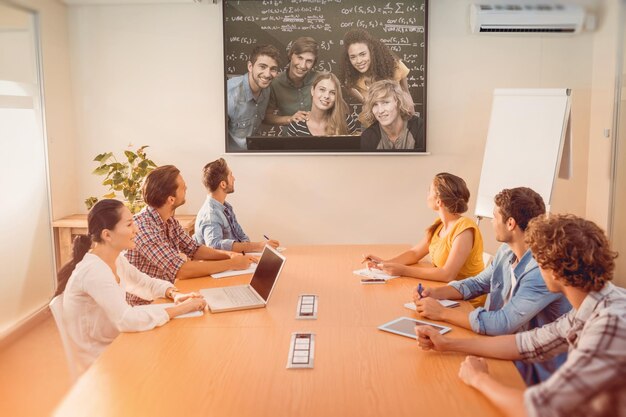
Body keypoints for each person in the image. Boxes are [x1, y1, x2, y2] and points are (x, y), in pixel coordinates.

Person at [415, 214, 626, 417]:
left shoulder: (609, 324)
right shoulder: (590, 306)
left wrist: (479, 378)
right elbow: (527, 343)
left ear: (553, 272)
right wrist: (447, 343)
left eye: (538, 260)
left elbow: (540, 410)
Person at [413, 187, 571, 384]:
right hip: (504, 347)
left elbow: (502, 323)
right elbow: (478, 283)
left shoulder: (541, 270)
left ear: (511, 223)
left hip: (535, 369)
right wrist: (436, 293)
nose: (491, 221)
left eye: (495, 217)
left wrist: (442, 313)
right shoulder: (506, 250)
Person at [59, 199, 207, 375]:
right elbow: (126, 319)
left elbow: (143, 283)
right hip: (102, 363)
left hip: (118, 345)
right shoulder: (94, 271)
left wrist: (173, 293)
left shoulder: (115, 260)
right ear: (107, 235)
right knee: (178, 361)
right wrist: (180, 309)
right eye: (129, 225)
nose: (136, 229)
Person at [125, 165, 255, 305]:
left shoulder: (168, 220)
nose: (186, 188)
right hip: (147, 305)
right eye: (183, 187)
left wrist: (229, 255)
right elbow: (180, 270)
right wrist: (231, 264)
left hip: (168, 295)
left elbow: (194, 249)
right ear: (171, 200)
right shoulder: (143, 228)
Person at [363, 172, 486, 306]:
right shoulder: (439, 225)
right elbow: (415, 253)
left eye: (430, 191)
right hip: (446, 293)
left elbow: (447, 274)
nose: (427, 195)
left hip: (465, 302)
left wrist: (403, 270)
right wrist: (384, 264)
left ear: (439, 201)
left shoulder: (465, 229)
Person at [195, 158, 280, 252]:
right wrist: (259, 245)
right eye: (231, 176)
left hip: (237, 259)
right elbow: (214, 246)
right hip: (224, 264)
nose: (234, 179)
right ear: (223, 184)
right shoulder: (211, 214)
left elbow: (242, 238)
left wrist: (255, 248)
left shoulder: (226, 208)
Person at [341, 28, 414, 109]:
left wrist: (412, 119)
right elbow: (366, 105)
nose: (359, 61)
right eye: (353, 57)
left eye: (362, 54)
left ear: (371, 51)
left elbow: (407, 96)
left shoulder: (395, 67)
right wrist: (366, 103)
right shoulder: (352, 79)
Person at [227, 44, 281, 150]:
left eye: (273, 69)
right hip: (231, 159)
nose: (267, 74)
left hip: (252, 154)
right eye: (262, 67)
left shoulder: (266, 90)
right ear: (250, 67)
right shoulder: (230, 93)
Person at [264, 37, 319, 126]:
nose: (302, 65)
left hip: (320, 136)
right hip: (291, 137)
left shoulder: (321, 80)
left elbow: (341, 109)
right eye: (300, 58)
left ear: (314, 63)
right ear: (290, 56)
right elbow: (267, 117)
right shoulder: (276, 83)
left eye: (309, 61)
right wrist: (290, 119)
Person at [360, 80, 424, 150]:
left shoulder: (420, 128)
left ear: (398, 102)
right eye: (375, 104)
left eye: (385, 102)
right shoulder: (369, 136)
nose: (380, 110)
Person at [286, 72, 358, 136]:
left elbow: (355, 150)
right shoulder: (296, 126)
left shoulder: (347, 122)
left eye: (332, 92)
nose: (326, 96)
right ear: (312, 91)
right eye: (322, 89)